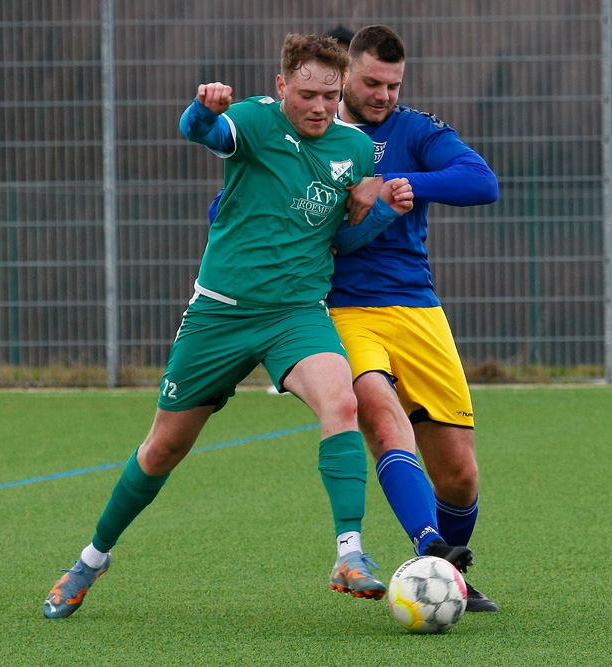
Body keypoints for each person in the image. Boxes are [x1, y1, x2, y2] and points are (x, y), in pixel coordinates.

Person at [42, 33, 414, 619]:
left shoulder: (356, 149)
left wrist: (383, 212)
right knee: (163, 448)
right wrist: (202, 109)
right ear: (281, 87)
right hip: (220, 313)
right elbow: (202, 133)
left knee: (342, 403)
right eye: (307, 94)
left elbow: (340, 240)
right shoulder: (252, 123)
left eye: (330, 96)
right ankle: (92, 558)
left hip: (295, 315)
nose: (319, 107)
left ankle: (350, 552)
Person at [329, 25, 501, 612]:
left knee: (459, 475)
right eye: (371, 82)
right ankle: (430, 548)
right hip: (344, 309)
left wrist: (401, 183)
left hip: (417, 308)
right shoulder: (311, 130)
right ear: (345, 73)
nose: (383, 95)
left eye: (393, 85)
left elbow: (482, 182)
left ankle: (448, 575)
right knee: (376, 411)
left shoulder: (417, 129)